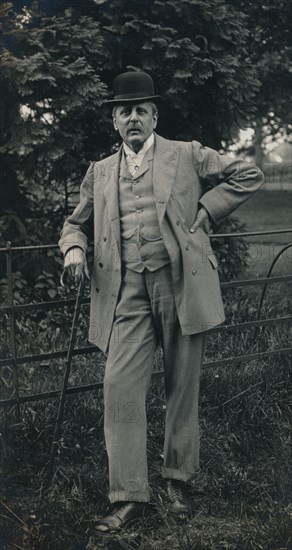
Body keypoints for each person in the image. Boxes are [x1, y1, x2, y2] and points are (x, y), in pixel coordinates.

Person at [59, 71, 264, 533]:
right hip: (125, 293)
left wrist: (205, 212)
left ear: (154, 116)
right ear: (114, 121)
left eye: (141, 110)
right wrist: (74, 246)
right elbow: (75, 223)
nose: (133, 117)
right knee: (120, 388)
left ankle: (177, 481)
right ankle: (129, 495)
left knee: (180, 387)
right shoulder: (100, 171)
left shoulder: (187, 154)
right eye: (124, 111)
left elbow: (248, 174)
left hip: (181, 285)